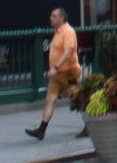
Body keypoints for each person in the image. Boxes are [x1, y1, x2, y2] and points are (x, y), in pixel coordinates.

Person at [25, 9, 80, 141]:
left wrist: (55, 67)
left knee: (77, 98)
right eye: (51, 16)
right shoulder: (57, 32)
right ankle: (41, 130)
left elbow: (68, 52)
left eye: (54, 16)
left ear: (62, 18)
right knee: (50, 99)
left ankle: (92, 123)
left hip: (69, 73)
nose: (51, 18)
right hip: (57, 75)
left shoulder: (68, 31)